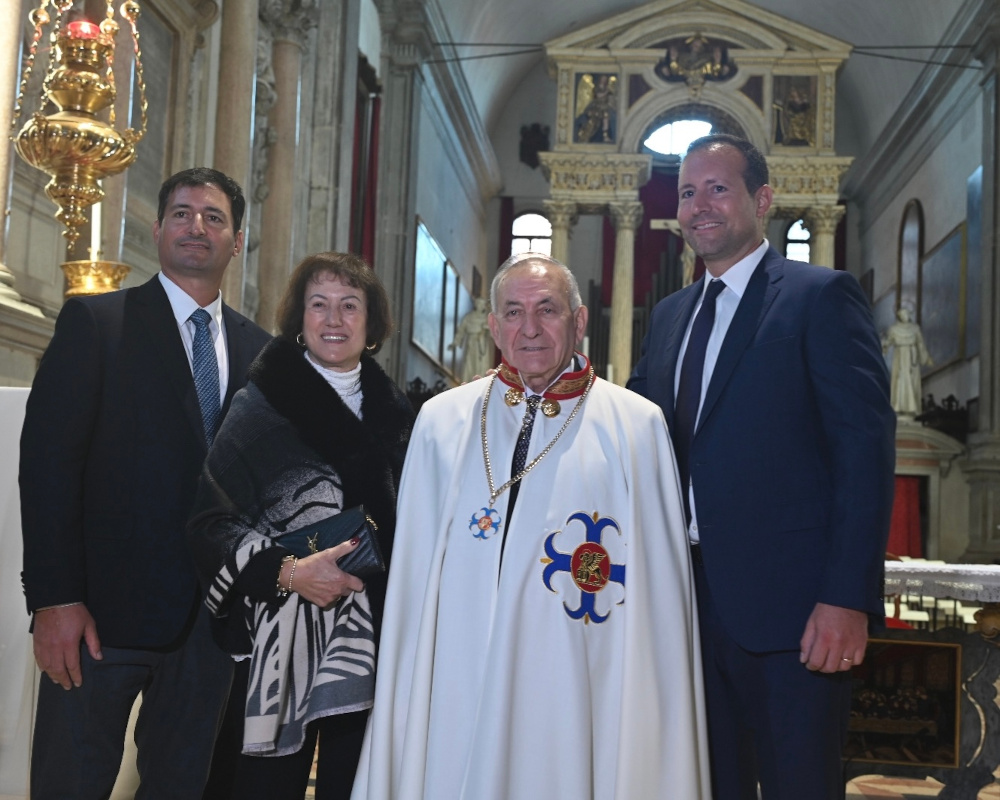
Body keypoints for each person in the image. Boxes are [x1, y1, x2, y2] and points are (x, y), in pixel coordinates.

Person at [352, 252, 710, 800]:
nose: (530, 328)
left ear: (579, 321)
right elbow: (413, 592)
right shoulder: (443, 421)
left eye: (548, 310)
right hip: (459, 671)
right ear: (494, 327)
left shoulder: (636, 426)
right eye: (514, 313)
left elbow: (660, 611)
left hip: (573, 682)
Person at [628, 134, 896, 799]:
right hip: (685, 609)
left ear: (763, 199)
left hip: (794, 617)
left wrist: (846, 598)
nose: (699, 206)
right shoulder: (668, 317)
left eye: (718, 188)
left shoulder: (819, 297)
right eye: (688, 192)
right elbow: (632, 433)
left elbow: (864, 453)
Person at [19, 167, 271, 798]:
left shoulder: (260, 352)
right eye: (182, 213)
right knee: (69, 785)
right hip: (99, 618)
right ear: (158, 229)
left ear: (236, 240)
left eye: (214, 217)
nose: (196, 227)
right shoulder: (98, 325)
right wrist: (53, 600)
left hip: (209, 626)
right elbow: (48, 469)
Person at [188, 252, 414, 800]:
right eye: (319, 305)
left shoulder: (402, 419)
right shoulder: (258, 408)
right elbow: (210, 522)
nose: (334, 319)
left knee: (355, 782)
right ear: (300, 319)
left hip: (375, 638)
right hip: (278, 638)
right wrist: (289, 573)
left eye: (349, 305)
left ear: (373, 323)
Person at [882, 307, 933, 417]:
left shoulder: (915, 328)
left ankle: (911, 408)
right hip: (900, 358)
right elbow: (888, 342)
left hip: (912, 359)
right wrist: (883, 345)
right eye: (904, 314)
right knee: (900, 380)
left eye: (908, 314)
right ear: (900, 316)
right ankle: (898, 406)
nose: (907, 316)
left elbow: (920, 344)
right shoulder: (894, 329)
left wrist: (926, 358)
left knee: (911, 381)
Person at [448, 296, 492, 382]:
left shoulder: (486, 319)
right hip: (471, 343)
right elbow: (461, 331)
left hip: (481, 343)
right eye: (478, 304)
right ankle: (467, 382)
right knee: (469, 364)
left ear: (484, 306)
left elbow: (494, 333)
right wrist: (455, 343)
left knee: (481, 366)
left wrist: (486, 329)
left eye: (481, 304)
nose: (480, 306)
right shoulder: (469, 317)